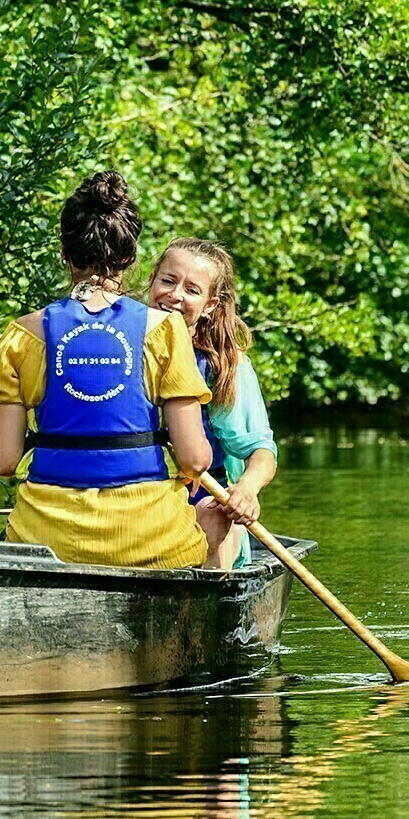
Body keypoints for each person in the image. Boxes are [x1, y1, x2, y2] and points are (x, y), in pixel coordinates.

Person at [0, 172, 213, 569]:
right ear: (130, 257)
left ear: (64, 252)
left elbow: (2, 461)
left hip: (48, 543)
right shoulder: (165, 330)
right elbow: (194, 459)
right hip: (153, 544)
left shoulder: (23, 336)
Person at [147, 238, 278, 570]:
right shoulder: (121, 345)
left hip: (200, 501)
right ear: (151, 281)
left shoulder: (222, 367)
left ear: (209, 305)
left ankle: (213, 582)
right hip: (140, 497)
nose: (175, 295)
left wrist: (246, 489)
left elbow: (261, 452)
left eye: (192, 290)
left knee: (213, 513)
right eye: (168, 281)